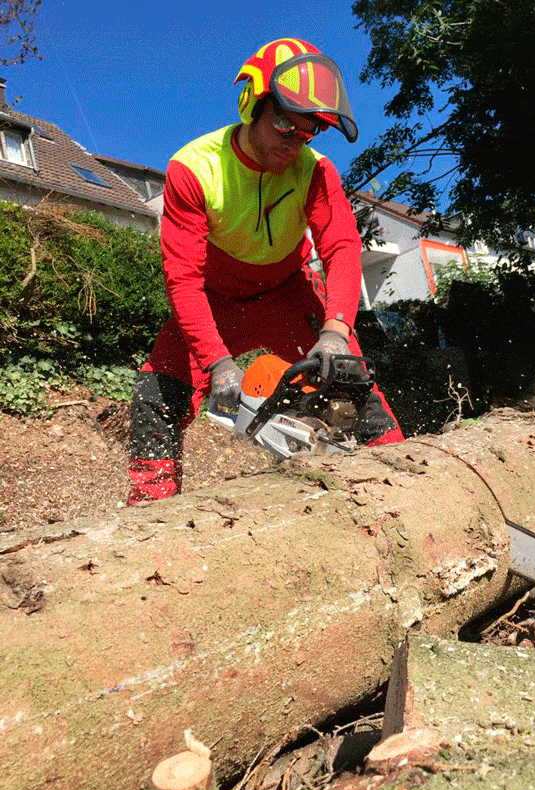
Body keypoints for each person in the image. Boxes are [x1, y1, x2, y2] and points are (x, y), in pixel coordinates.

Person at [128, 37, 404, 505]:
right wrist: (217, 362)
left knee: (352, 381)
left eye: (307, 133)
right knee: (156, 395)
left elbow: (341, 245)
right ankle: (150, 516)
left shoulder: (316, 171)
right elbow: (183, 278)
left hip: (289, 293)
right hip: (214, 301)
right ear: (252, 106)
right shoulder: (194, 168)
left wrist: (336, 330)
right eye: (284, 126)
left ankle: (402, 483)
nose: (293, 143)